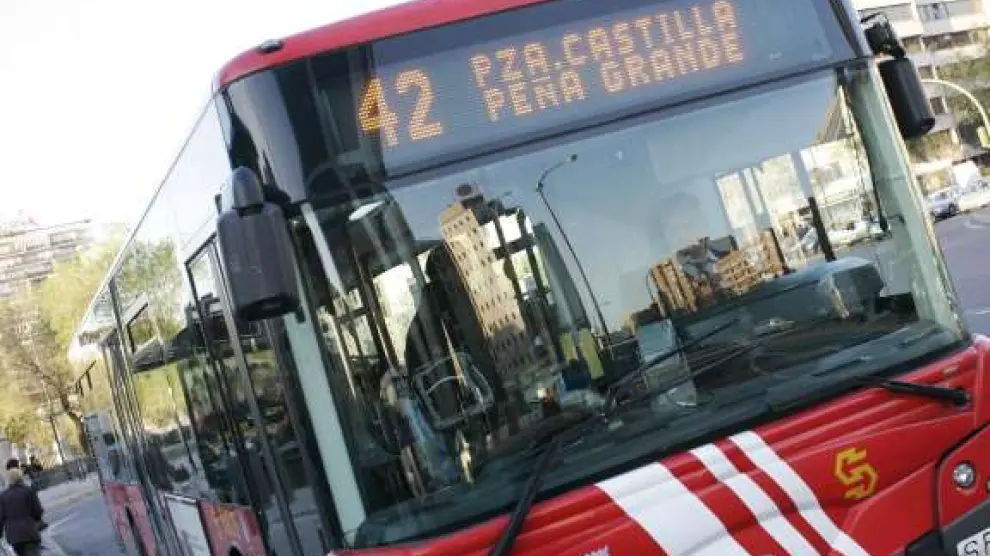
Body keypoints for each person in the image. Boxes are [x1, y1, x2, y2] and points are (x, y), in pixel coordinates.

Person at [0, 468, 44, 556]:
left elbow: (1, 517)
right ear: (20, 477)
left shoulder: (3, 496)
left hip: (14, 536)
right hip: (29, 532)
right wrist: (36, 520)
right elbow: (37, 510)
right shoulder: (28, 491)